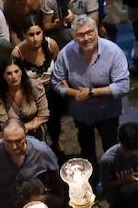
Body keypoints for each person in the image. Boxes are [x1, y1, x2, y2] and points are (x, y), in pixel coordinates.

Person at [50, 15, 130, 165]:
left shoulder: (113, 52)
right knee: (86, 150)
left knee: (111, 149)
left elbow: (124, 85)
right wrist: (75, 93)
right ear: (74, 37)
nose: (86, 38)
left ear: (97, 31)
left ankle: (110, 180)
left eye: (90, 32)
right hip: (80, 113)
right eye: (80, 35)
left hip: (107, 112)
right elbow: (56, 82)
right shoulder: (66, 54)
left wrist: (94, 92)